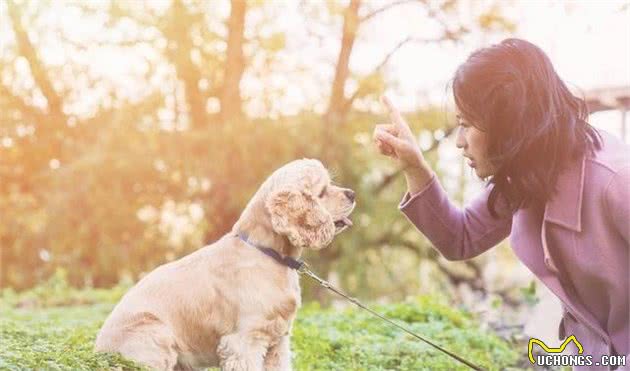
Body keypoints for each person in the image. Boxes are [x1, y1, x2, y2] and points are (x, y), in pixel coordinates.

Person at [373, 38, 629, 370]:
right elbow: (460, 238)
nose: (459, 142)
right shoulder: (524, 179)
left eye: (465, 124)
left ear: (509, 120)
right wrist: (413, 166)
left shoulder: (616, 180)